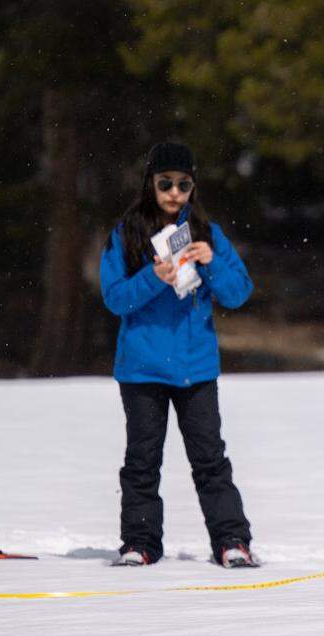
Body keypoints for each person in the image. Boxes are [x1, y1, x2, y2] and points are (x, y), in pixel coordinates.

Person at [100, 142, 256, 568]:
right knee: (142, 462)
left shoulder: (209, 233)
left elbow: (239, 293)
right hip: (142, 370)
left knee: (210, 460)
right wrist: (154, 278)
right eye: (165, 183)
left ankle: (231, 542)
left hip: (195, 369)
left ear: (193, 186)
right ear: (150, 184)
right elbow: (115, 298)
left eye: (183, 184)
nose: (173, 192)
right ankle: (140, 543)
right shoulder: (126, 234)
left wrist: (209, 264)